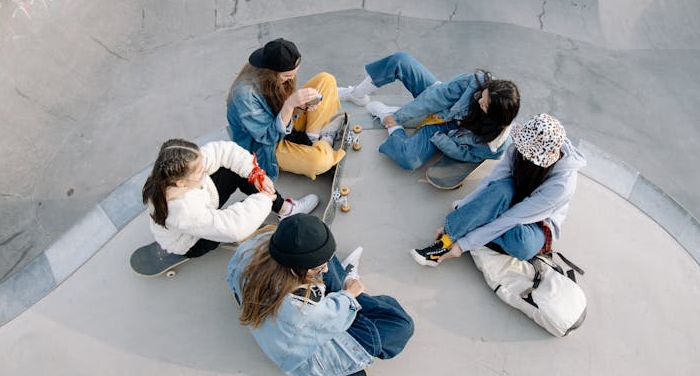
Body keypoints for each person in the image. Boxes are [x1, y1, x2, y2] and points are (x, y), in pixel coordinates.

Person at [227, 214, 414, 376]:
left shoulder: (260, 242)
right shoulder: (301, 309)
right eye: (318, 268)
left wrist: (323, 272)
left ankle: (342, 283)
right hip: (308, 352)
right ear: (294, 269)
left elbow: (232, 274)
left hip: (292, 314)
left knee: (318, 247)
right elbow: (326, 317)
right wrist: (348, 295)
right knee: (399, 324)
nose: (324, 269)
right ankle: (346, 283)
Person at [410, 113, 586, 265]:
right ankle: (454, 234)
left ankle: (480, 218)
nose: (523, 155)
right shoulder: (519, 147)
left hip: (536, 220)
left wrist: (463, 245)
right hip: (510, 195)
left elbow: (512, 217)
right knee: (499, 190)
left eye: (529, 154)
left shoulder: (562, 184)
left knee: (522, 246)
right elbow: (491, 182)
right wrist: (457, 220)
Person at [338, 51, 520, 170]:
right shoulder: (477, 82)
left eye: (485, 103)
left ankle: (386, 116)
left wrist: (442, 141)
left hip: (446, 131)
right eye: (483, 95)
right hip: (443, 107)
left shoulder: (495, 143)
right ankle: (357, 94)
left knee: (408, 159)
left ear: (495, 116)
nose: (480, 99)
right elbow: (437, 96)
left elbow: (468, 154)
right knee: (400, 61)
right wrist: (400, 115)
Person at [142, 138, 318, 258]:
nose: (205, 168)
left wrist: (256, 174)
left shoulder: (172, 174)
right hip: (193, 242)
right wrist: (264, 199)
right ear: (181, 183)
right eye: (200, 171)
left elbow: (224, 151)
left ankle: (284, 210)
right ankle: (267, 206)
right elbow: (233, 227)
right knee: (240, 216)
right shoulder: (182, 212)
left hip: (204, 201)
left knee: (236, 170)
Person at [227, 38, 346, 180]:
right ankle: (326, 139)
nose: (292, 79)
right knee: (319, 161)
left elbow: (282, 108)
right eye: (287, 76)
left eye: (294, 73)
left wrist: (300, 107)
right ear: (270, 73)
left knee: (326, 80)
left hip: (284, 124)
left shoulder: (272, 73)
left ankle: (313, 139)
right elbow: (268, 137)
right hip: (266, 147)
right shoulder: (244, 95)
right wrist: (290, 105)